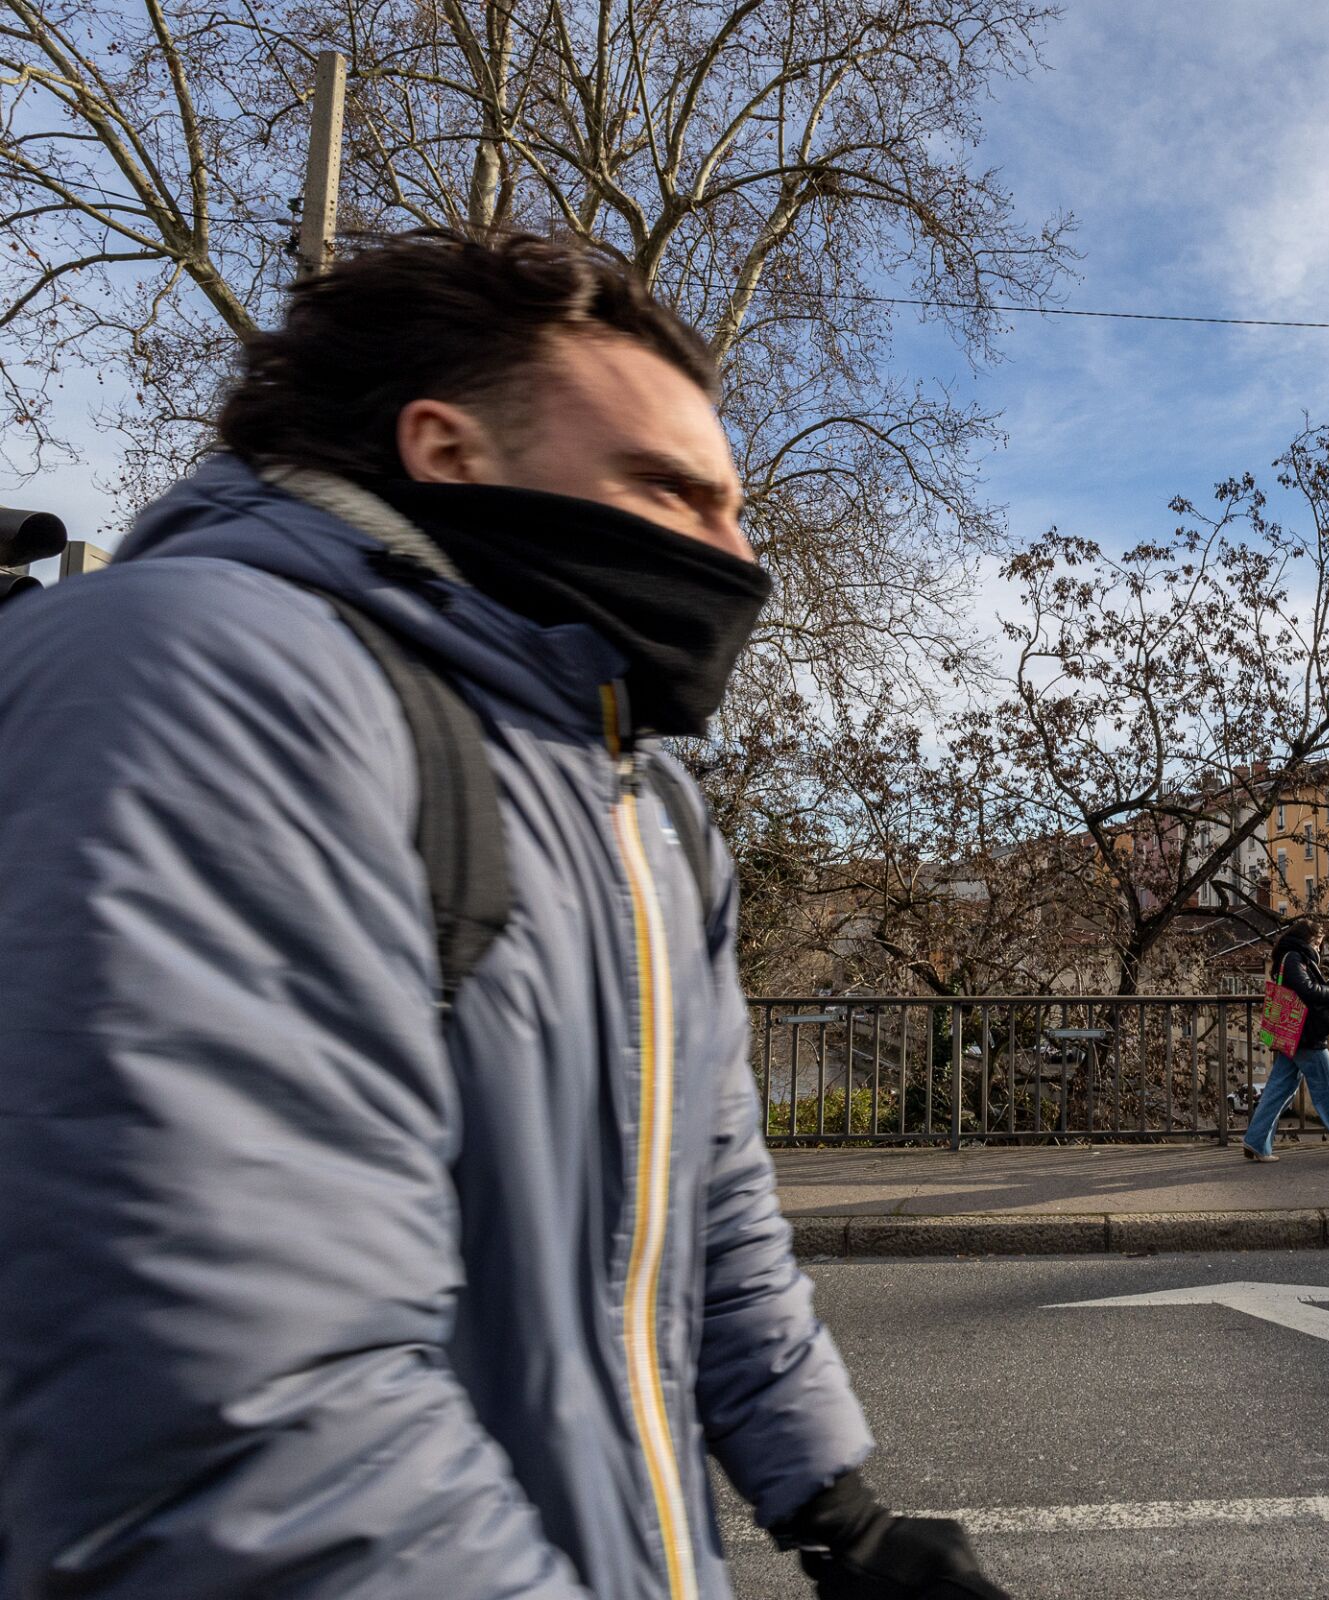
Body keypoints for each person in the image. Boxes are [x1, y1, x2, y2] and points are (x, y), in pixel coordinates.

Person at [0, 231, 1007, 1600]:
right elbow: (233, 1421)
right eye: (670, 489)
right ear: (446, 449)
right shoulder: (199, 673)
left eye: (733, 506)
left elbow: (709, 1198)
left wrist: (837, 1506)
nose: (737, 554)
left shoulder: (641, 799)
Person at [1241, 919, 1329, 1165]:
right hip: (1305, 1036)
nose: (1320, 947)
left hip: (1294, 1034)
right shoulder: (1295, 957)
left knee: (1278, 1091)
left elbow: (1304, 987)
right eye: (1318, 942)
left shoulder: (1291, 956)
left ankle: (1256, 1142)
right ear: (1309, 939)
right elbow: (1307, 990)